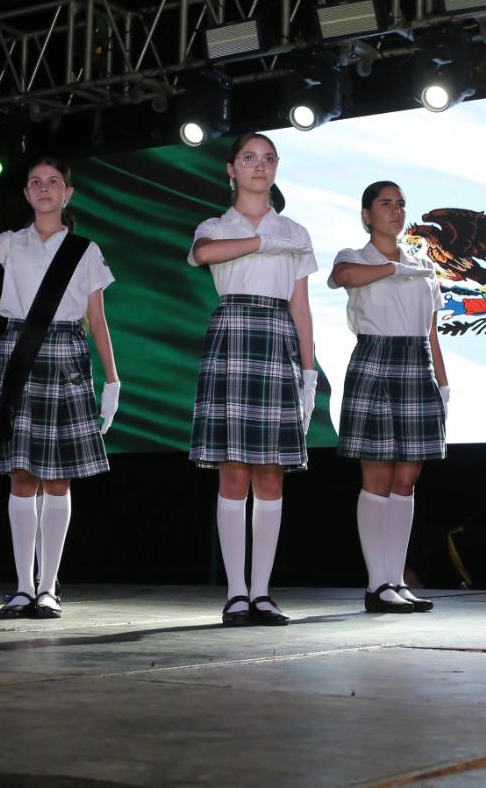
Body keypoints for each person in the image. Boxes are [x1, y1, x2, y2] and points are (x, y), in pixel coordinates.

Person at [0, 156, 120, 620]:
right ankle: (22, 587)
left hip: (67, 355)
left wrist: (112, 380)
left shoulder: (85, 250)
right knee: (21, 474)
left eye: (53, 182)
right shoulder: (12, 242)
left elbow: (98, 320)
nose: (45, 188)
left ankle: (49, 587)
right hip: (19, 355)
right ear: (26, 194)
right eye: (35, 182)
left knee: (58, 476)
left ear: (66, 193)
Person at [187, 133, 318, 627]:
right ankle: (235, 593)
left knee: (270, 472)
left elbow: (301, 307)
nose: (258, 167)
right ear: (231, 169)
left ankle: (262, 592)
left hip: (278, 335)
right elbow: (203, 255)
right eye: (249, 158)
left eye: (267, 159)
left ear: (277, 167)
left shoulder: (297, 231)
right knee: (233, 470)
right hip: (232, 333)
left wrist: (308, 372)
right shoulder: (215, 226)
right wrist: (262, 242)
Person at [329, 181, 449, 614]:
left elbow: (432, 331)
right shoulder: (354, 256)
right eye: (385, 203)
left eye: (400, 204)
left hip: (416, 364)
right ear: (367, 214)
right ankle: (376, 584)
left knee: (406, 481)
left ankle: (397, 580)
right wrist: (392, 269)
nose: (395, 211)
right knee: (377, 478)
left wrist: (443, 383)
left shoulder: (423, 264)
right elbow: (342, 278)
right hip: (375, 359)